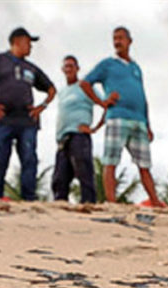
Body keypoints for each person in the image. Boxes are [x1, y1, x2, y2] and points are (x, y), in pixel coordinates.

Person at [80, 26, 164, 207]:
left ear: (129, 41)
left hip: (139, 120)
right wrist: (102, 101)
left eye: (120, 38)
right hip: (117, 117)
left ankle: (155, 201)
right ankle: (112, 202)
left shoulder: (136, 68)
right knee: (111, 160)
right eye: (114, 39)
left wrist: (148, 124)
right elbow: (85, 83)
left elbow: (143, 96)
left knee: (145, 164)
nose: (117, 42)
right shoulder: (107, 64)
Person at [0, 27, 56, 201]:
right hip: (4, 119)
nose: (30, 47)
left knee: (29, 160)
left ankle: (29, 199)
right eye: (28, 43)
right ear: (17, 42)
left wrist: (42, 106)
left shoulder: (31, 68)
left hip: (27, 121)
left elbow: (51, 89)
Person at [52, 55, 102, 203]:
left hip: (79, 136)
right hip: (62, 138)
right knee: (60, 177)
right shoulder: (61, 92)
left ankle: (89, 204)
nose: (68, 69)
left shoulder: (85, 87)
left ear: (77, 68)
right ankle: (60, 207)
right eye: (66, 66)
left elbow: (105, 105)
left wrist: (95, 128)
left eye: (71, 66)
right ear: (62, 69)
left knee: (84, 173)